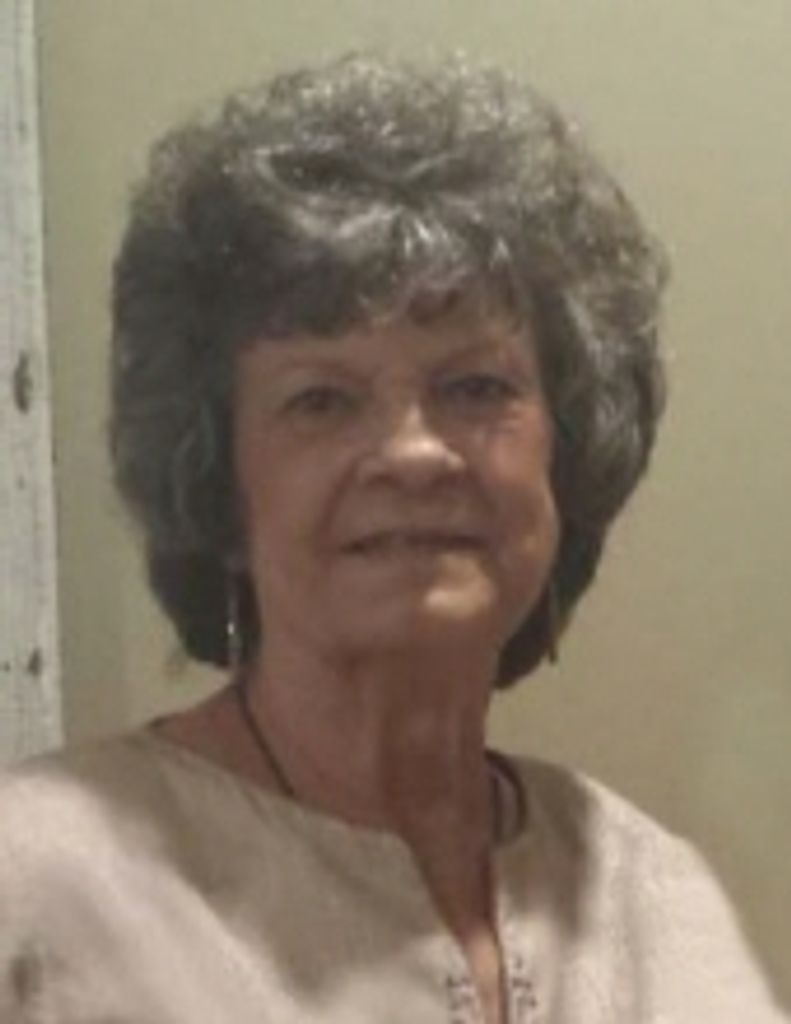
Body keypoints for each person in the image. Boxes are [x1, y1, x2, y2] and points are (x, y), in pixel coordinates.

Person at [0, 53, 785, 1024]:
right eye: (321, 400)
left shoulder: (659, 901)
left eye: (475, 388)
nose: (413, 453)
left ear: (566, 451)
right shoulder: (39, 891)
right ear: (216, 483)